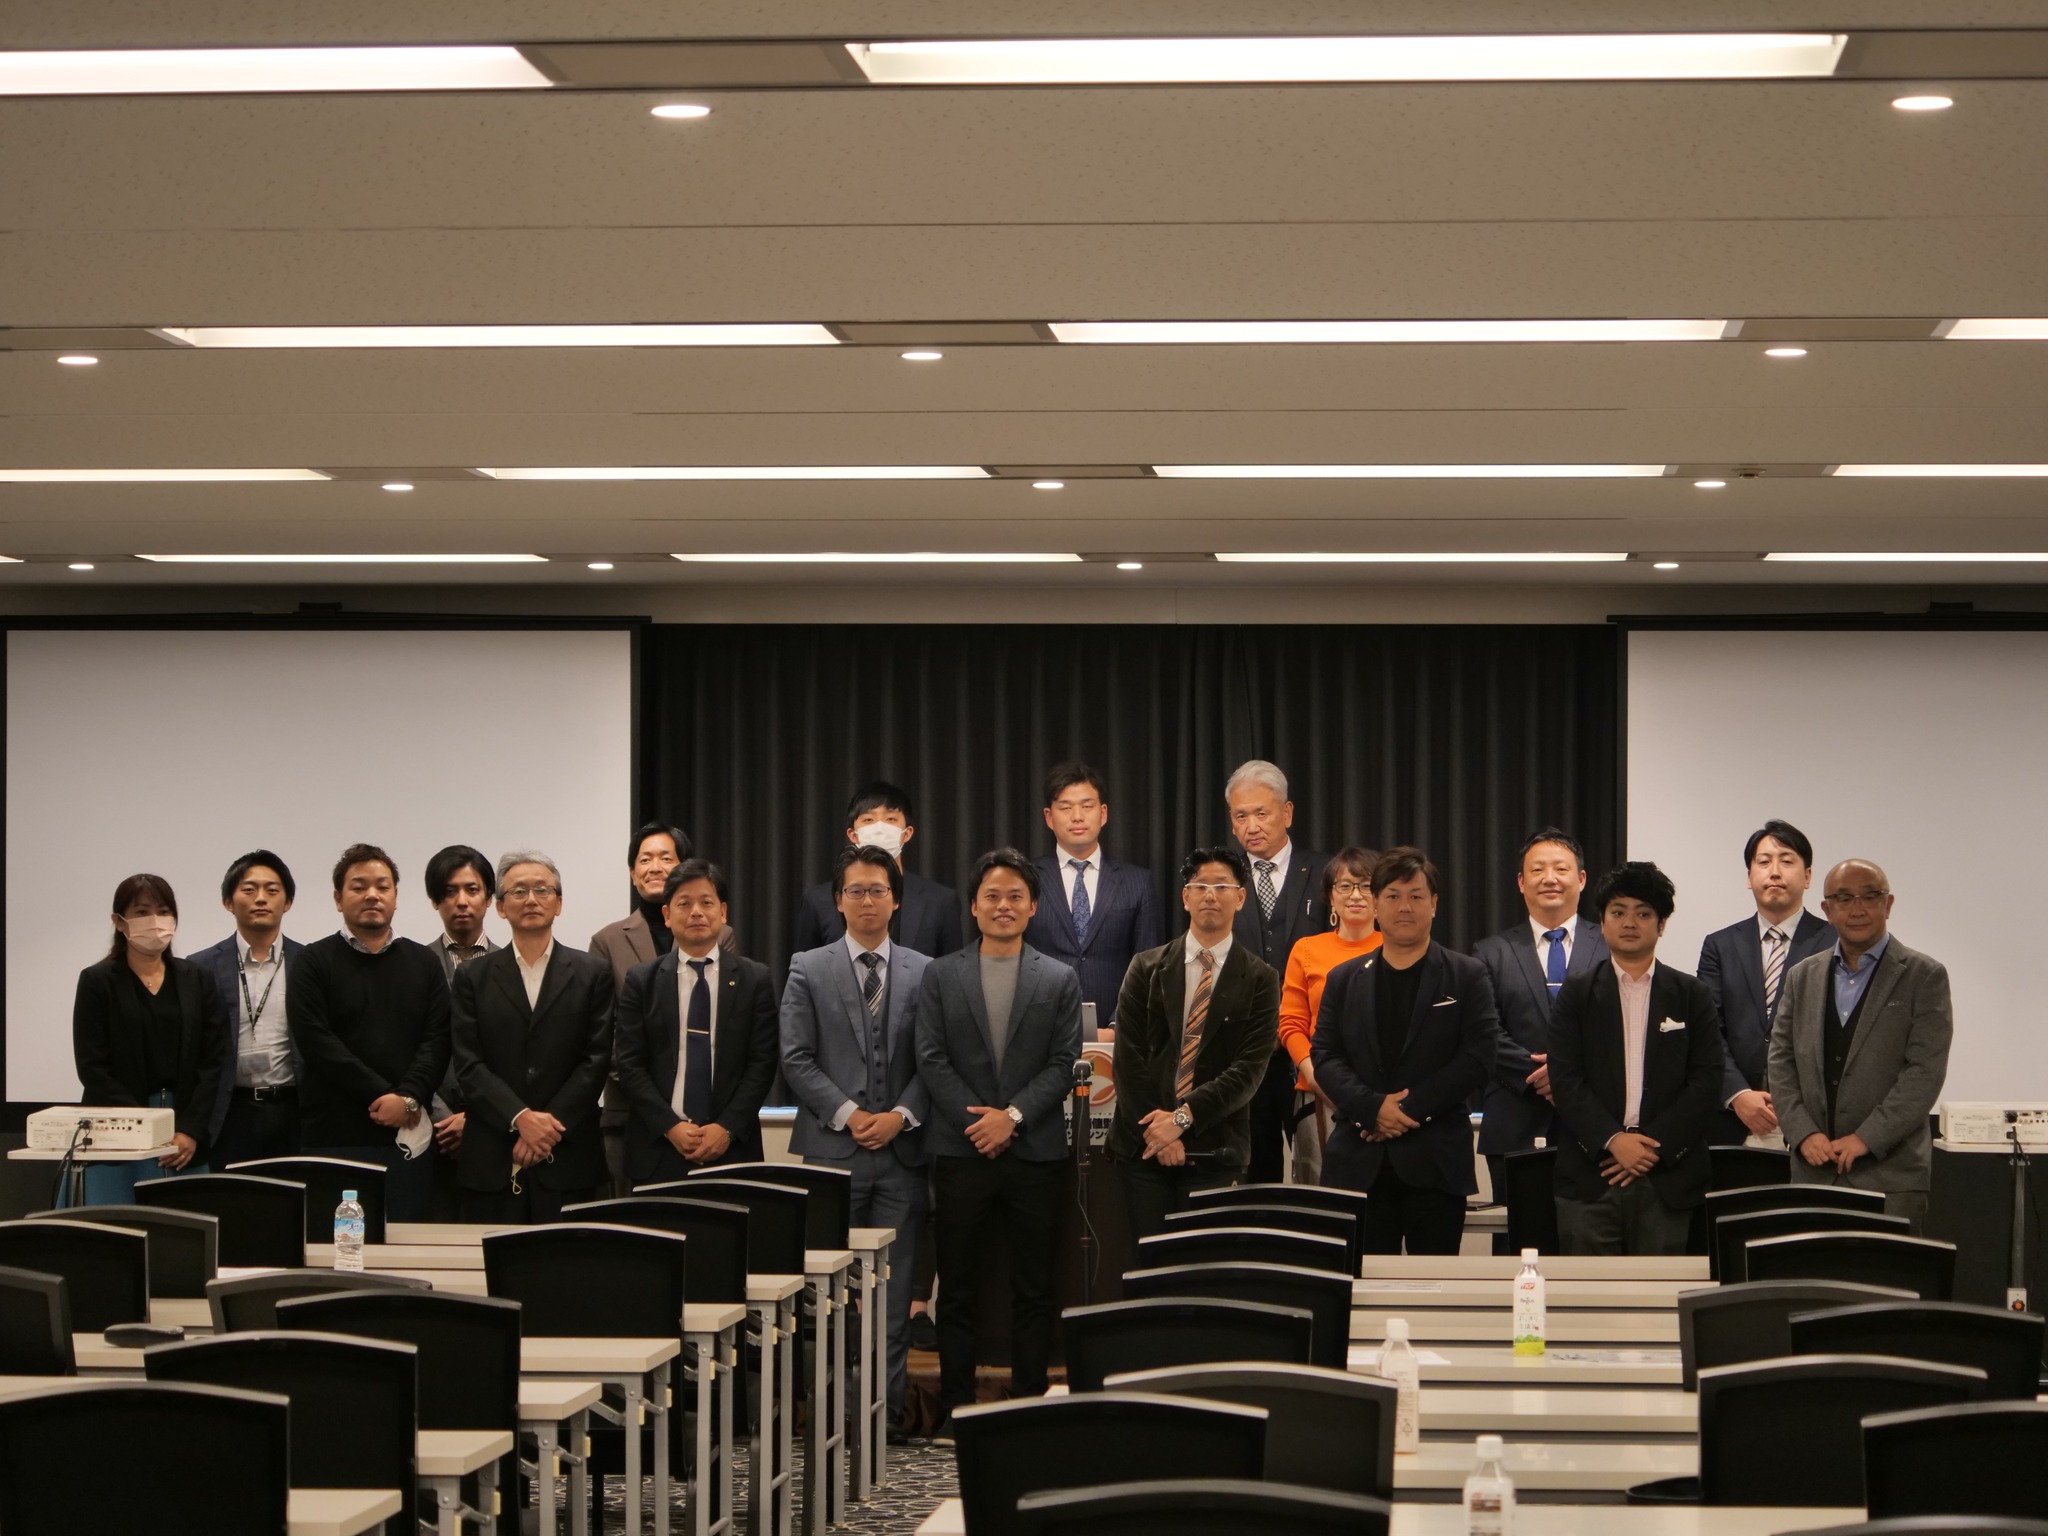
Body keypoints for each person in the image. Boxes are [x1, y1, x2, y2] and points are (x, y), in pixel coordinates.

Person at [915, 848, 1084, 1429]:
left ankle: (1031, 1405)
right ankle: (956, 1408)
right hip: (960, 1151)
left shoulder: (1058, 978)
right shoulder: (941, 975)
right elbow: (931, 1058)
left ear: (1033, 906)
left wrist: (1011, 1117)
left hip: (1033, 1154)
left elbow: (1064, 1062)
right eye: (992, 895)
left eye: (1016, 896)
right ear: (973, 906)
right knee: (958, 1288)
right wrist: (980, 1123)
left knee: (1034, 1288)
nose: (1003, 905)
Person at [780, 843, 933, 1428]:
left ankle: (883, 1419)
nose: (867, 900)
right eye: (855, 890)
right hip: (830, 1154)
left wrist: (900, 1115)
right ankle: (831, 1420)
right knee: (828, 1296)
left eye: (878, 890)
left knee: (892, 1299)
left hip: (902, 1155)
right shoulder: (807, 967)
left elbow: (934, 1059)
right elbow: (796, 1058)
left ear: (896, 900)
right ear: (838, 901)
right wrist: (847, 1113)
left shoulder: (925, 970)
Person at [1313, 847, 1499, 1255]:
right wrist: (1372, 1108)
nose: (1405, 907)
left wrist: (1405, 1110)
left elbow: (1478, 1057)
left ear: (1434, 904)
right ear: (1376, 904)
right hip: (1358, 1162)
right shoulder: (1343, 978)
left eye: (1416, 896)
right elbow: (1325, 1056)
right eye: (1393, 896)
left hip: (1435, 1163)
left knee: (1436, 1287)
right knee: (1357, 1286)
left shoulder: (1467, 975)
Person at [1545, 862, 1725, 1256]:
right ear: (1602, 922)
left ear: (1662, 925)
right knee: (1589, 1293)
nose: (1630, 922)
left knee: (1665, 1293)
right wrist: (1613, 1141)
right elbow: (1566, 1079)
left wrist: (1652, 1148)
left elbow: (1707, 1081)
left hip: (1669, 1177)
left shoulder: (1692, 995)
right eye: (1618, 912)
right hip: (1591, 1177)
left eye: (1643, 913)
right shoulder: (1576, 994)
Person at [1767, 859, 1952, 1230]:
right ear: (1827, 910)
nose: (1858, 909)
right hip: (1814, 1170)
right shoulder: (1802, 976)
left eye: (1870, 896)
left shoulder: (1924, 976)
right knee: (1812, 1270)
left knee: (1887, 1270)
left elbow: (1924, 1073)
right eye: (1844, 898)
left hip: (1891, 1177)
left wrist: (1866, 1138)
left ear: (1888, 904)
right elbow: (1781, 1062)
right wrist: (1803, 1133)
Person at [1110, 846, 1281, 1241]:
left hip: (1216, 1150)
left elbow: (1248, 1071)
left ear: (1241, 897)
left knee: (1208, 1266)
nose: (1210, 895)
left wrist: (1181, 1120)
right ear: (1185, 897)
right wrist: (1160, 1132)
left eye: (1222, 886)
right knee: (1149, 1264)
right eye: (1200, 886)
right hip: (1144, 1146)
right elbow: (1128, 1058)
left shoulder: (1261, 978)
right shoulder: (1145, 967)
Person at [286, 844, 451, 1222]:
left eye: (382, 886)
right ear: (338, 899)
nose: (372, 895)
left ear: (395, 896)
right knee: (335, 1244)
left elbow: (437, 1039)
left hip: (407, 1136)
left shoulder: (424, 962)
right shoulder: (313, 961)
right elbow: (316, 1042)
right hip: (332, 1136)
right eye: (359, 887)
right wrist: (381, 1094)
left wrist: (408, 1098)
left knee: (407, 1240)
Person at [448, 852, 614, 1222]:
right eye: (519, 891)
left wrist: (547, 1127)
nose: (532, 899)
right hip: (494, 1155)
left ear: (559, 903)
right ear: (500, 907)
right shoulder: (472, 977)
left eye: (542, 890)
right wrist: (519, 1117)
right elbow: (469, 1063)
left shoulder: (592, 973)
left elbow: (596, 1060)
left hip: (569, 1155)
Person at [590, 822, 737, 1197]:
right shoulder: (607, 941)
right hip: (629, 1116)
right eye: (644, 859)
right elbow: (605, 1033)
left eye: (665, 858)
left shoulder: (720, 935)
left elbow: (728, 1026)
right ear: (631, 872)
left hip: (710, 1120)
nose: (654, 867)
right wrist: (663, 1111)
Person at [614, 859, 779, 1184]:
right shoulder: (642, 980)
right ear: (667, 915)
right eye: (684, 904)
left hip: (732, 1149)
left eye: (706, 902)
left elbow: (762, 1063)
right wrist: (670, 1126)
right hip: (657, 1149)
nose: (696, 913)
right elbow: (630, 1063)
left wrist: (726, 1128)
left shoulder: (754, 979)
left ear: (723, 912)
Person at [71, 873, 231, 1203]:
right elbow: (92, 1066)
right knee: (115, 1223)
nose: (155, 921)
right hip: (119, 1127)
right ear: (119, 921)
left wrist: (190, 1130)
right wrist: (143, 1126)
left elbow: (213, 1060)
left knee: (183, 1225)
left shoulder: (197, 978)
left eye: (164, 911)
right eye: (142, 912)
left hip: (183, 1133)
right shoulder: (97, 981)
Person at [1472, 829, 1611, 1197]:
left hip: (1597, 1121)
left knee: (1592, 1228)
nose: (1550, 878)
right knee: (1517, 1229)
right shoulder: (1490, 952)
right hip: (1514, 1120)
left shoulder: (1611, 946)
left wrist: (1566, 1074)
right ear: (1521, 882)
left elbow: (1622, 1026)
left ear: (1582, 879)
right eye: (1537, 870)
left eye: (1561, 869)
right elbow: (1484, 1031)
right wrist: (1540, 1075)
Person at [1225, 759, 1332, 1184]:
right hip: (1248, 1055)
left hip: (1316, 1053)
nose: (1251, 826)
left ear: (1286, 813)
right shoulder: (1222, 880)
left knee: (1320, 1176)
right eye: (1240, 816)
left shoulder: (1327, 873)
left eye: (1261, 813)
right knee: (1255, 1179)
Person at [1698, 820, 1834, 1147]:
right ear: (1749, 877)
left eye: (1786, 861)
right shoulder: (1720, 945)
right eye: (1763, 862)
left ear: (1807, 876)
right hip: (1734, 1120)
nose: (1774, 872)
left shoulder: (1834, 942)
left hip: (1816, 1122)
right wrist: (1738, 1094)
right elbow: (1708, 1029)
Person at [189, 851, 307, 1168]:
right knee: (230, 1196)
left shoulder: (309, 962)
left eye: (272, 890)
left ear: (288, 902)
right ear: (228, 902)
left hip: (293, 1112)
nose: (261, 898)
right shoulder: (200, 967)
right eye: (249, 889)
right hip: (228, 1113)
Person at [1023, 761, 1163, 1026]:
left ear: (1103, 813)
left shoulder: (1137, 882)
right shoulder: (1026, 880)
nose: (1077, 816)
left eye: (1087, 806)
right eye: (1066, 808)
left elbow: (1149, 967)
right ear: (1049, 817)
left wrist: (1118, 1026)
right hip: (1041, 1029)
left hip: (1117, 1035)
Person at [1275, 848, 1382, 1187]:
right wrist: (1318, 1078)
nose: (1356, 895)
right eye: (1345, 886)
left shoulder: (1399, 948)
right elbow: (1291, 1024)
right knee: (1321, 1201)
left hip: (1382, 1097)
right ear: (1330, 897)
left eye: (1366, 886)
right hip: (1317, 1094)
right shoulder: (1307, 949)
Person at [792, 781, 964, 959]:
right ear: (852, 834)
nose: (880, 828)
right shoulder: (817, 901)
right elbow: (805, 969)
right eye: (869, 820)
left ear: (907, 833)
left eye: (890, 819)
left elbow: (950, 972)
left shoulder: (941, 901)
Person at [422, 844, 496, 1217]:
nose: (462, 901)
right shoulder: (416, 965)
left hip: (497, 1131)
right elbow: (408, 1049)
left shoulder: (512, 965)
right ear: (435, 900)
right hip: (430, 1131)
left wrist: (479, 1120)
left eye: (472, 889)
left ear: (489, 898)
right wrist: (441, 1117)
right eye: (450, 891)